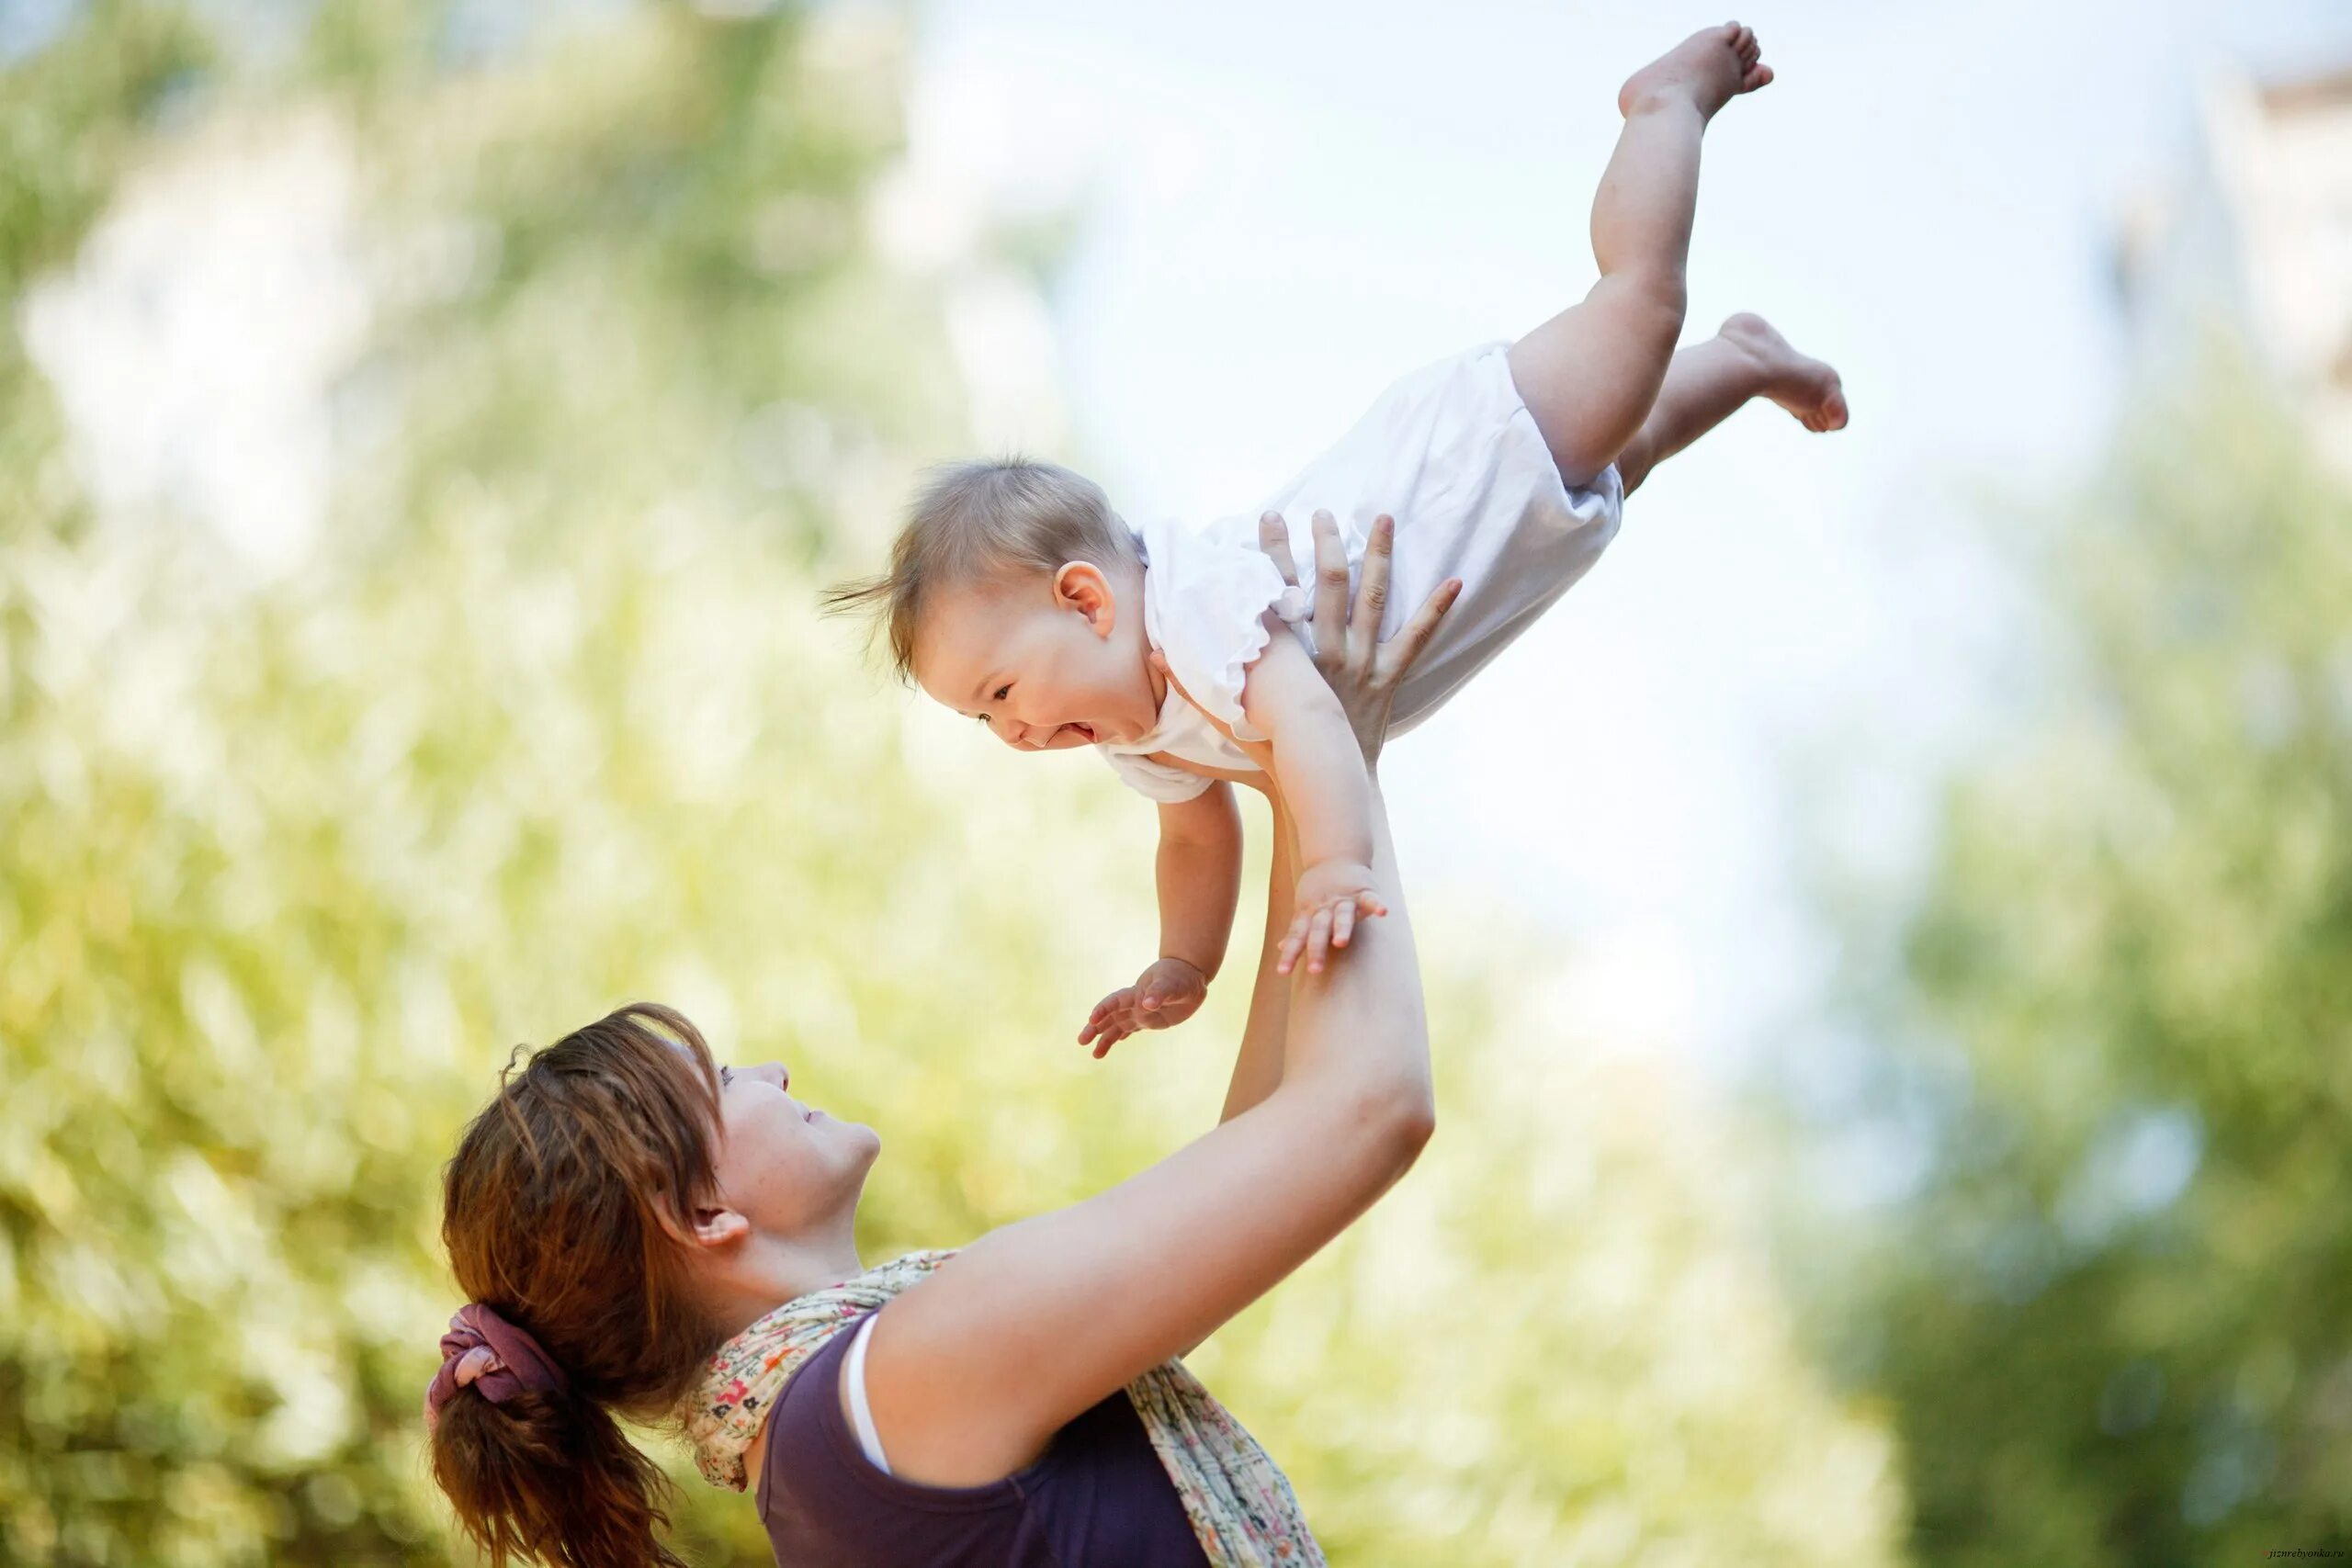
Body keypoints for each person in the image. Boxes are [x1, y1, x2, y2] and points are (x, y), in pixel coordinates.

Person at [424, 532, 1455, 1566]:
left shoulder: (833, 1442)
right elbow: (1364, 1111)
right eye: (725, 1081)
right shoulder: (895, 1385)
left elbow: (1267, 1147)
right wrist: (1341, 771)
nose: (773, 1072)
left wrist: (1304, 786)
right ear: (702, 1211)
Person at [826, 22, 1847, 1044]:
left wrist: (1336, 864)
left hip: (1470, 463)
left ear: (1086, 599)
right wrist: (1183, 962)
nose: (1011, 732)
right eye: (982, 720)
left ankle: (1662, 105)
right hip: (1502, 542)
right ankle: (1750, 358)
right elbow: (1193, 838)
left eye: (1001, 691)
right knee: (1637, 439)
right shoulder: (1138, 731)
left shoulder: (1191, 611)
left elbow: (1310, 722)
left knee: (1636, 313)